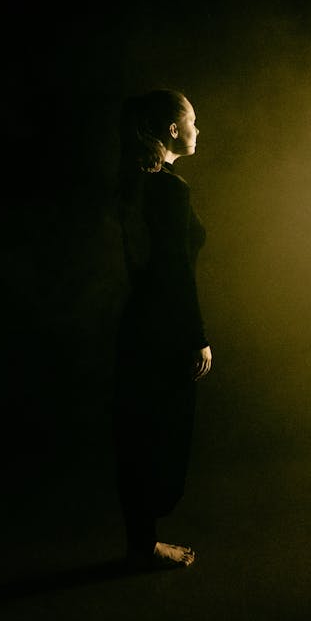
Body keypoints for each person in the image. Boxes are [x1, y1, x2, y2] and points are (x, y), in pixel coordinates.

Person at [113, 88, 211, 569]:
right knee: (159, 435)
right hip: (164, 328)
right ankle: (144, 546)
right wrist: (197, 338)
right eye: (192, 120)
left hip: (136, 324)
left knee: (140, 433)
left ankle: (142, 542)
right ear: (174, 129)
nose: (198, 128)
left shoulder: (135, 181)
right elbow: (174, 271)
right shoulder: (169, 190)